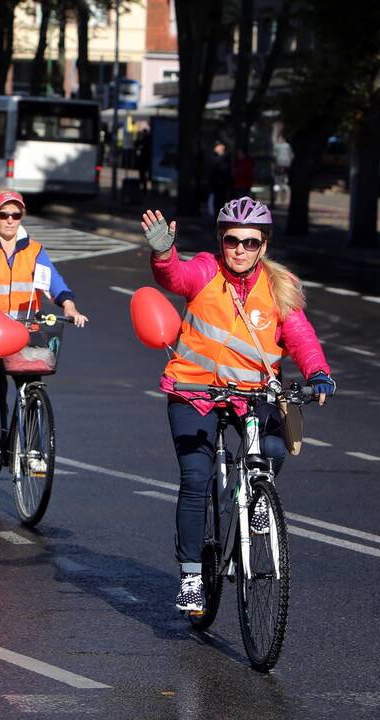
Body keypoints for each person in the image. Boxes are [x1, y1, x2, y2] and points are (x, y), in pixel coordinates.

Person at [140, 197, 335, 615]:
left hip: (252, 394)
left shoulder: (279, 287)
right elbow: (173, 276)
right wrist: (162, 252)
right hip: (195, 392)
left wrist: (318, 372)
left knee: (275, 450)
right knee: (195, 477)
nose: (240, 250)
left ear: (264, 245)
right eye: (232, 240)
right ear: (220, 240)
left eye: (250, 242)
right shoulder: (206, 271)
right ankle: (192, 576)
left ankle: (254, 498)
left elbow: (300, 337)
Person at [0, 190, 88, 443]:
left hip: (25, 327)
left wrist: (69, 306)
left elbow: (53, 279)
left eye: (16, 214)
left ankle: (30, 447)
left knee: (32, 382)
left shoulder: (34, 249)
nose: (10, 220)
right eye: (4, 214)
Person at [207, 142, 232, 216]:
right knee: (216, 203)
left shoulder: (225, 159)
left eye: (217, 146)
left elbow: (224, 171)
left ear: (222, 147)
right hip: (216, 185)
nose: (215, 148)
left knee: (221, 202)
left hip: (222, 185)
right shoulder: (215, 158)